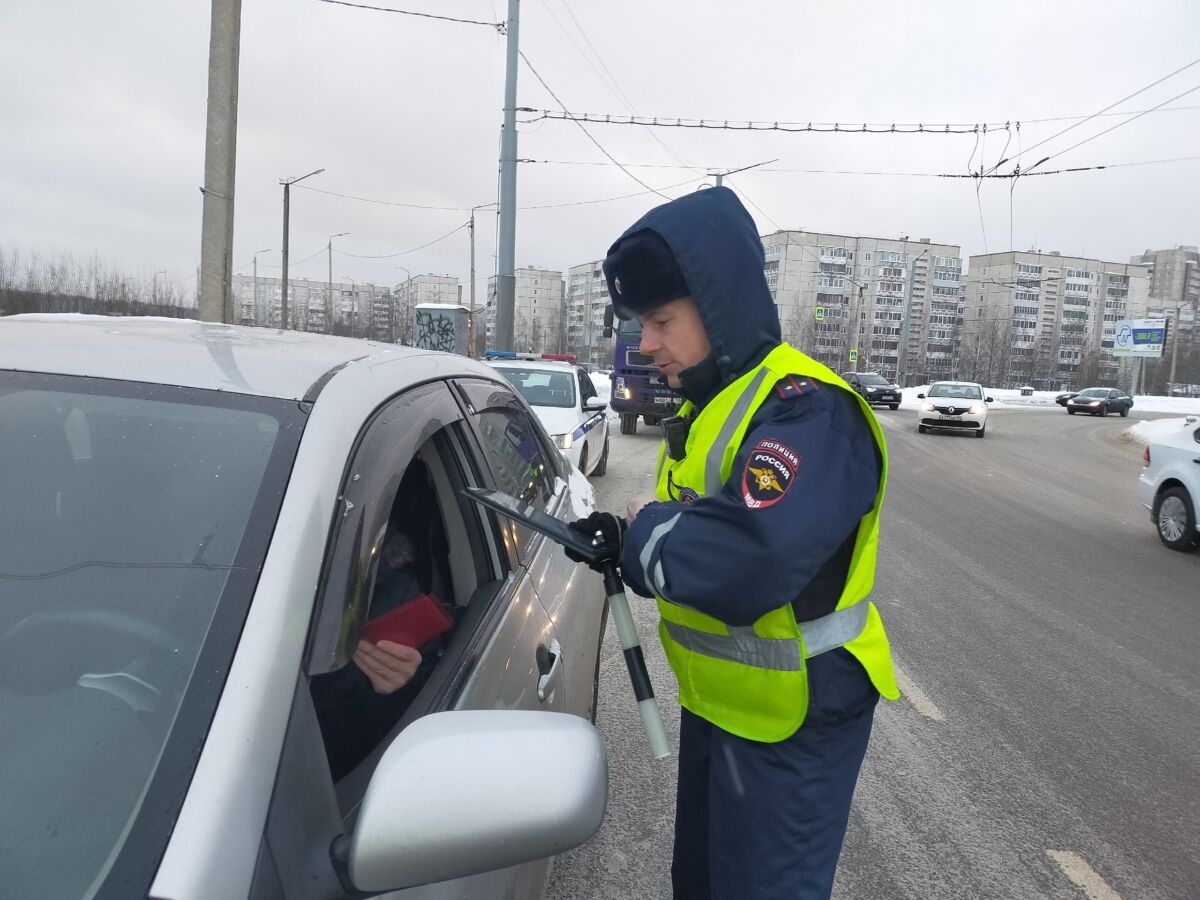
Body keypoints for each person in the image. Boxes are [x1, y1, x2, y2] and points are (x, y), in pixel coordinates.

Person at [571, 186, 900, 900]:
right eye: (638, 323)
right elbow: (689, 526)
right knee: (701, 885)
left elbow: (749, 556)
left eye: (660, 320)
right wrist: (627, 535)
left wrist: (648, 533)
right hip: (726, 704)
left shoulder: (806, 410)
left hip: (795, 718)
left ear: (717, 308)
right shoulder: (716, 404)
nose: (644, 342)